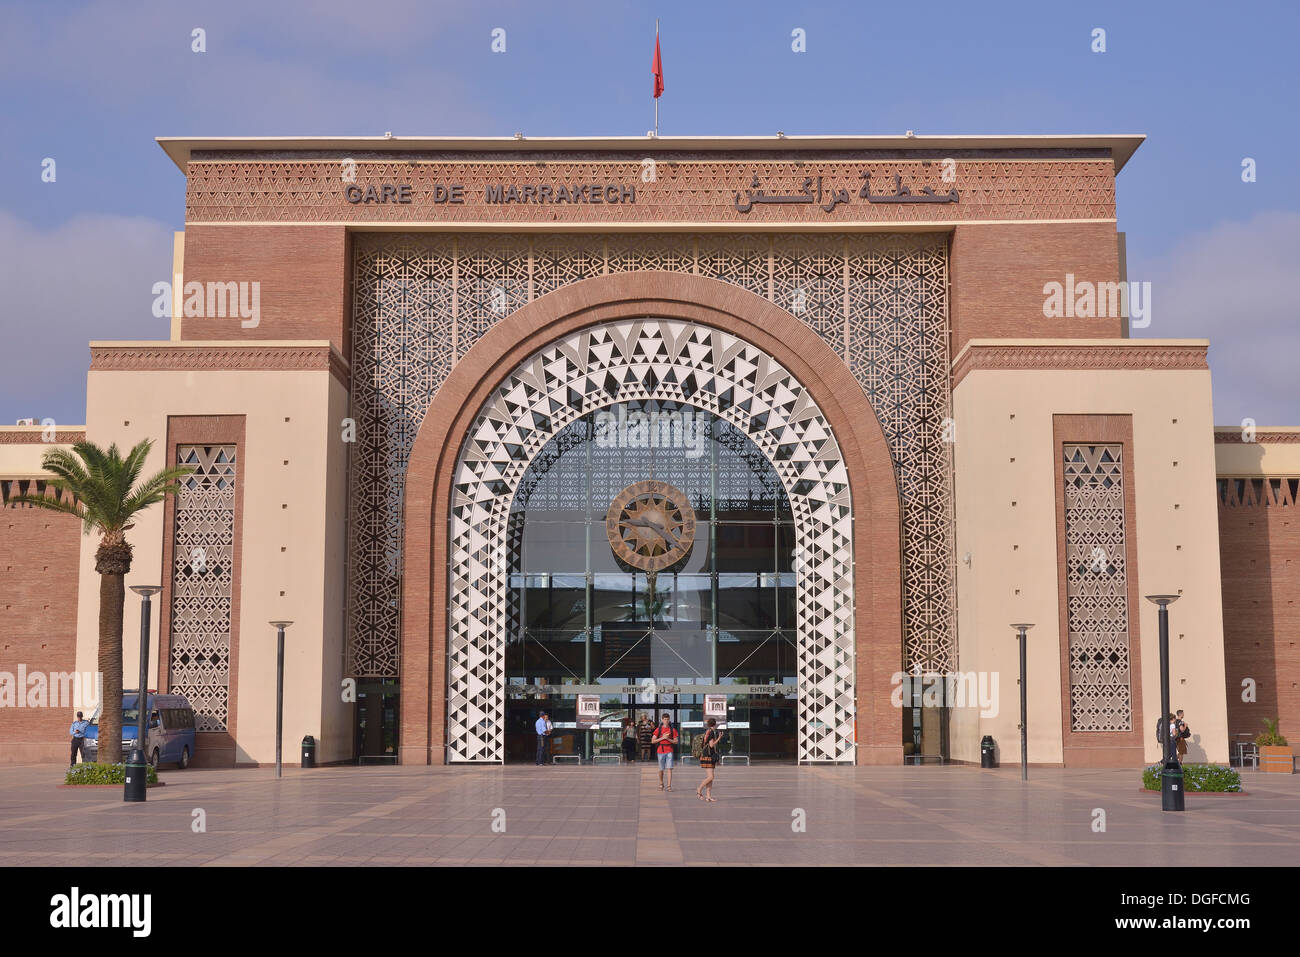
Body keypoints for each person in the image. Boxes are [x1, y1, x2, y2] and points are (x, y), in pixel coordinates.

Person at [695, 717, 724, 802]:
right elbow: (711, 745)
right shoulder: (711, 732)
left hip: (707, 756)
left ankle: (708, 796)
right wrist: (719, 738)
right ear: (715, 724)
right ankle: (699, 789)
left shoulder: (708, 731)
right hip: (707, 756)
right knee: (711, 777)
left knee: (710, 777)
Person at [652, 712, 678, 791]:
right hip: (660, 750)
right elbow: (653, 741)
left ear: (669, 720)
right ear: (662, 720)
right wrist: (663, 738)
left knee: (669, 768)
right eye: (664, 719)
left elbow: (676, 741)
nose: (666, 721)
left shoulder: (672, 730)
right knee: (661, 769)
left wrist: (668, 739)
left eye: (667, 719)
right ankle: (661, 783)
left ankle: (669, 786)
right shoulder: (658, 729)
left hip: (669, 750)